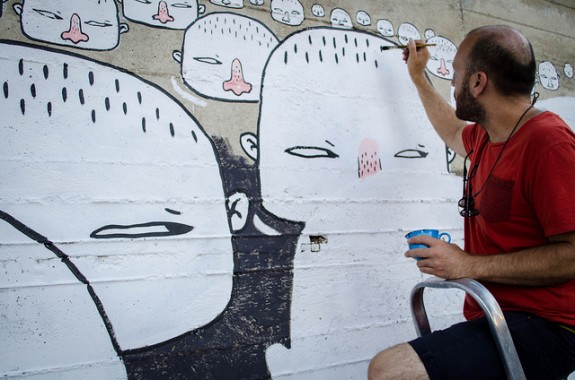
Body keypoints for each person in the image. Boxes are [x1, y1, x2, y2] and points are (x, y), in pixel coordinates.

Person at [368, 25, 575, 380]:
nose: (451, 81)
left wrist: (468, 265)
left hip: (552, 327)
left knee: (390, 370)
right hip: (495, 313)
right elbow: (451, 130)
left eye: (457, 73)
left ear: (478, 82)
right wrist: (419, 78)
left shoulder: (549, 144)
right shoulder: (486, 135)